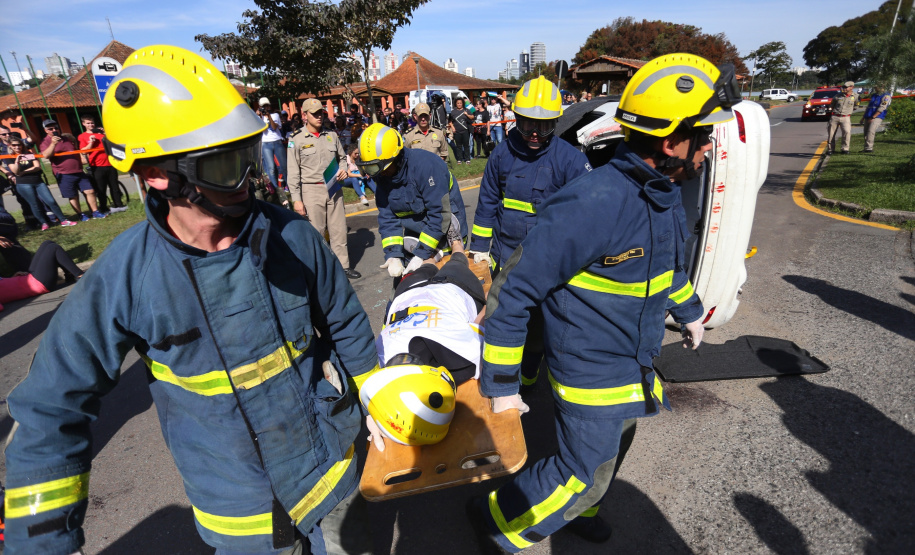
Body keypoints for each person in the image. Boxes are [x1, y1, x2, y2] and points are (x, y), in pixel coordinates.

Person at [3, 45, 379, 555]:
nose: (248, 181)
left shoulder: (291, 236)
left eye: (248, 156)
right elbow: (50, 407)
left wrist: (377, 397)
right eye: (225, 165)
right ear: (159, 175)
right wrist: (41, 543)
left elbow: (345, 323)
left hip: (332, 478)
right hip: (243, 516)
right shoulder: (125, 276)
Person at [466, 53, 735, 553]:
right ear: (671, 141)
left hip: (634, 360)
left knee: (611, 453)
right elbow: (514, 291)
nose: (708, 147)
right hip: (589, 368)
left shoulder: (662, 194)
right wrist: (501, 385)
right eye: (702, 135)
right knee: (582, 472)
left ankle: (581, 510)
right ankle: (497, 526)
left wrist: (690, 310)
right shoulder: (592, 202)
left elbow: (663, 266)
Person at [467, 75, 592, 388]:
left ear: (556, 123)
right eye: (526, 125)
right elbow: (487, 203)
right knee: (502, 319)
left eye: (544, 127)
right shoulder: (501, 154)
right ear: (516, 119)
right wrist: (479, 248)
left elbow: (586, 215)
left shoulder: (571, 160)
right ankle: (501, 380)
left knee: (539, 326)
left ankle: (530, 375)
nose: (535, 133)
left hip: (549, 261)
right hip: (506, 258)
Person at [374, 237, 486, 403]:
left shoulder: (381, 361)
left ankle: (430, 254)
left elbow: (488, 309)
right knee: (457, 262)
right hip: (449, 289)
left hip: (411, 294)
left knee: (427, 267)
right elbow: (490, 307)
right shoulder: (464, 353)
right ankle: (455, 244)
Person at [356, 123, 468, 279]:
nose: (376, 174)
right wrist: (393, 255)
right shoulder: (383, 174)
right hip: (415, 238)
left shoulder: (427, 166)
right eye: (370, 168)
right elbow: (388, 217)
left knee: (450, 277)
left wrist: (422, 255)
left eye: (377, 168)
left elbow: (439, 214)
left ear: (396, 157)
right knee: (411, 283)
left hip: (446, 231)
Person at [288, 98, 362, 280]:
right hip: (311, 190)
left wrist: (343, 169)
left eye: (320, 113)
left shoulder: (331, 135)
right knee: (317, 232)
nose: (319, 116)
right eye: (314, 114)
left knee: (339, 229)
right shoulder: (296, 139)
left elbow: (342, 158)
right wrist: (296, 199)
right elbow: (293, 172)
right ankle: (320, 272)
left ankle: (343, 267)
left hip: (333, 186)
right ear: (305, 115)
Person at [40, 119, 106, 221]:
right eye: (50, 129)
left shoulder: (66, 139)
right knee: (73, 195)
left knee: (90, 191)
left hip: (78, 170)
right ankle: (81, 214)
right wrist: (53, 144)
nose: (54, 130)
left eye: (56, 128)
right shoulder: (45, 142)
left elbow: (75, 151)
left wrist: (81, 160)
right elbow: (45, 155)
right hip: (63, 173)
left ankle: (95, 212)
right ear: (45, 130)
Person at [5, 137, 76, 230]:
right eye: (14, 145)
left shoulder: (29, 154)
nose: (17, 147)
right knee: (34, 204)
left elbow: (37, 166)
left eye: (19, 145)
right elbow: (16, 172)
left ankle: (63, 220)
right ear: (10, 146)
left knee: (51, 201)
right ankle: (44, 223)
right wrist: (17, 161)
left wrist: (24, 172)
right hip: (23, 184)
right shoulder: (9, 157)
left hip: (38, 181)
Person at [0, 240, 83, 311]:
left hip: (29, 278)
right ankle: (81, 276)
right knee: (53, 248)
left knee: (47, 243)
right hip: (37, 284)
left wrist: (13, 278)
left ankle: (69, 275)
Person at [79, 114, 127, 214]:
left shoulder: (101, 134)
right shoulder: (82, 136)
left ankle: (119, 205)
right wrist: (91, 142)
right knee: (101, 188)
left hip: (110, 163)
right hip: (97, 166)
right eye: (88, 123)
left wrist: (106, 133)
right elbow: (83, 151)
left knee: (114, 186)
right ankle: (103, 208)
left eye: (92, 123)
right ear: (83, 124)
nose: (91, 125)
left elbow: (114, 143)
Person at [257, 97, 287, 190]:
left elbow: (274, 127)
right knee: (271, 168)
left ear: (269, 106)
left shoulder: (275, 115)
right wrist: (259, 116)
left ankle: (289, 186)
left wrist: (269, 116)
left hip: (277, 141)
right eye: (263, 106)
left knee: (283, 166)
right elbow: (261, 129)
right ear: (260, 107)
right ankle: (275, 189)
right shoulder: (258, 117)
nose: (265, 108)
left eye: (266, 106)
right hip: (265, 143)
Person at [827, 81, 857, 154]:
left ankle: (845, 149)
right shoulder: (837, 96)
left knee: (847, 132)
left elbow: (856, 106)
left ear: (852, 87)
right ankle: (831, 149)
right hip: (835, 116)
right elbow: (832, 105)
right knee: (831, 133)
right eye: (843, 87)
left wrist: (848, 111)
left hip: (846, 117)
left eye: (846, 87)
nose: (844, 88)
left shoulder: (856, 96)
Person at [862, 85, 892, 153]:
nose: (875, 89)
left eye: (876, 87)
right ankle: (866, 147)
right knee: (866, 132)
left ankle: (869, 148)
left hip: (877, 116)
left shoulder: (886, 96)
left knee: (871, 131)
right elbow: (869, 106)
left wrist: (874, 117)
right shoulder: (874, 95)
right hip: (868, 115)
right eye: (875, 87)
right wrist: (863, 117)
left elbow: (883, 107)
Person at [449, 98, 474, 164]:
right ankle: (459, 159)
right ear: (456, 104)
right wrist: (453, 128)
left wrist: (467, 114)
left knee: (466, 145)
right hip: (457, 132)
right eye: (458, 103)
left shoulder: (466, 110)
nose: (459, 104)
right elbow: (450, 121)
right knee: (458, 146)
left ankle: (467, 159)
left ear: (462, 103)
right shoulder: (453, 112)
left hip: (465, 131)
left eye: (460, 103)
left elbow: (472, 117)